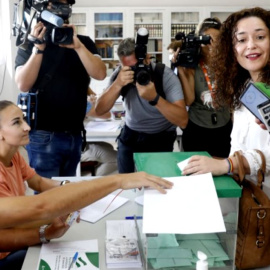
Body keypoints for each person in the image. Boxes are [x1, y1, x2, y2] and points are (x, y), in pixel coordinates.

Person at [0, 100, 173, 269]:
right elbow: (39, 209)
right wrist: (119, 180)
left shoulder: (13, 155)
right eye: (17, 122)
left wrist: (72, 189)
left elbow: (37, 181)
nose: (27, 127)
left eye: (23, 119)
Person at [181, 7, 270, 196]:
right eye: (242, 39)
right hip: (243, 193)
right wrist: (225, 163)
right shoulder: (242, 88)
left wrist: (226, 164)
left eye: (260, 37)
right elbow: (238, 144)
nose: (251, 45)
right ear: (231, 48)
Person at [14, 0, 107, 179]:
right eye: (55, 3)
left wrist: (78, 47)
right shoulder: (30, 44)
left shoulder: (83, 43)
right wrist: (38, 49)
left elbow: (101, 74)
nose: (61, 9)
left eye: (65, 4)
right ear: (43, 8)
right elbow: (23, 84)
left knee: (66, 192)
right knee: (47, 195)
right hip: (43, 134)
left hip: (74, 134)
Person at [95, 37, 188, 173]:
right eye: (128, 68)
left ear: (148, 59)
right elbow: (99, 110)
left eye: (138, 66)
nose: (134, 72)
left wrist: (155, 99)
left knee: (158, 186)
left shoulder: (164, 75)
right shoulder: (120, 75)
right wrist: (118, 84)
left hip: (161, 136)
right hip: (131, 135)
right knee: (126, 186)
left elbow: (183, 121)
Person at [173, 17, 233, 158]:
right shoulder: (192, 65)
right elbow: (189, 100)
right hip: (197, 127)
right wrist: (182, 70)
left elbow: (231, 97)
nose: (211, 44)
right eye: (207, 39)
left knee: (223, 173)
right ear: (199, 41)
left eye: (217, 39)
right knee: (196, 173)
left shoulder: (229, 65)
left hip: (223, 126)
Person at [82, 88, 118, 176]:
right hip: (77, 148)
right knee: (119, 159)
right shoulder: (78, 100)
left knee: (108, 146)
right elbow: (106, 114)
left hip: (66, 144)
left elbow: (95, 96)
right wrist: (93, 103)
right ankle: (91, 182)